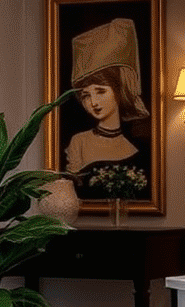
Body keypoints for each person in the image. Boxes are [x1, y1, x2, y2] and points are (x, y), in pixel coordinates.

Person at [64, 17, 151, 200]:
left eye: (101, 91)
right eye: (86, 95)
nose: (93, 102)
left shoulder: (136, 148)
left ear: (119, 91)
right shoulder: (79, 142)